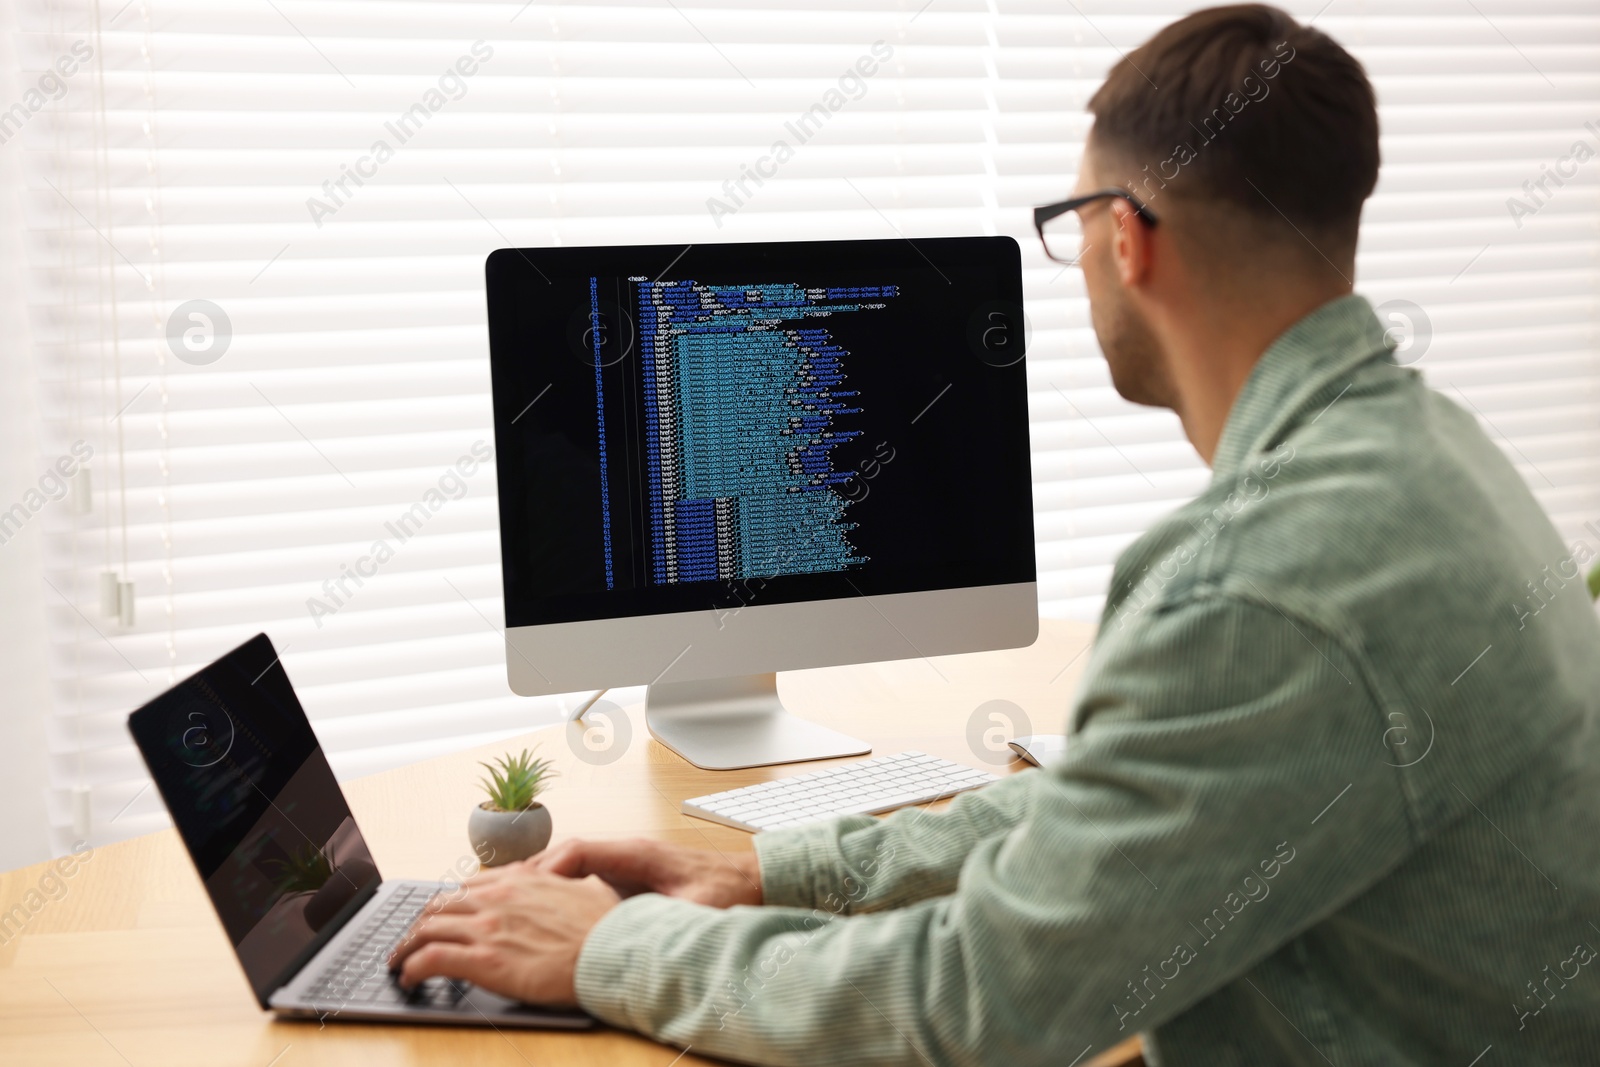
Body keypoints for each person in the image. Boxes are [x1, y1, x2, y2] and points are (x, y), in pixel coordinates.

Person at [392, 6, 1600, 1064]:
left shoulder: (1251, 587)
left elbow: (977, 1009)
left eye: (1071, 224)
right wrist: (771, 871)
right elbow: (1112, 821)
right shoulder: (1438, 455)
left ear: (1127, 237)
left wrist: (613, 946)